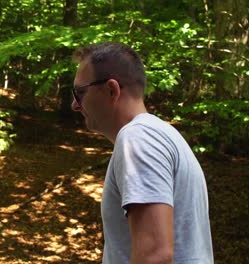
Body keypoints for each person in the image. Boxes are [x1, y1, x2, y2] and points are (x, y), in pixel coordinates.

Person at [71, 42, 214, 264]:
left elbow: (155, 255)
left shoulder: (138, 138)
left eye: (79, 93)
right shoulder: (162, 135)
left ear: (112, 90)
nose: (74, 104)